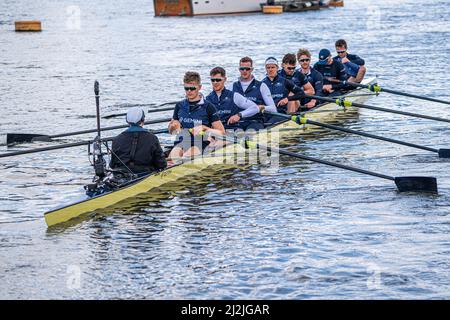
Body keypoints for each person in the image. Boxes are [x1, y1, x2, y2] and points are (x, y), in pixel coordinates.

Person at [168, 71, 225, 159]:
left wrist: (205, 128)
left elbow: (221, 133)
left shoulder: (209, 107)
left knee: (187, 155)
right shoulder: (179, 106)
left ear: (199, 87)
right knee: (173, 157)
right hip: (182, 141)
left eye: (192, 88)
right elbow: (171, 131)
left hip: (201, 143)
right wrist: (173, 127)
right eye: (186, 89)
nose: (189, 91)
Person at [110, 107, 167, 175]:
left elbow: (112, 165)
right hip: (145, 176)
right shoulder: (152, 138)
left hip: (122, 176)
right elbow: (161, 164)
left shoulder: (116, 140)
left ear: (127, 121)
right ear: (143, 120)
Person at [206, 66, 261, 130]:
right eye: (213, 80)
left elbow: (255, 108)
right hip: (217, 132)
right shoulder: (207, 99)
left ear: (225, 79)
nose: (215, 82)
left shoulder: (234, 96)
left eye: (218, 80)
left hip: (233, 130)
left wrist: (239, 115)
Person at [232, 56, 277, 128]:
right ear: (239, 70)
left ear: (252, 69)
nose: (244, 71)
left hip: (255, 121)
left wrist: (261, 108)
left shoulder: (261, 86)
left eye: (247, 69)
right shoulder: (232, 86)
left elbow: (273, 109)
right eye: (242, 69)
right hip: (237, 122)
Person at [262, 57, 305, 122]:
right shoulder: (262, 83)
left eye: (273, 67)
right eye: (268, 68)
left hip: (281, 114)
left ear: (277, 68)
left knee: (270, 122)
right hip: (267, 114)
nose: (270, 70)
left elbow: (301, 93)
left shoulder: (285, 81)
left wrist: (288, 99)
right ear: (266, 69)